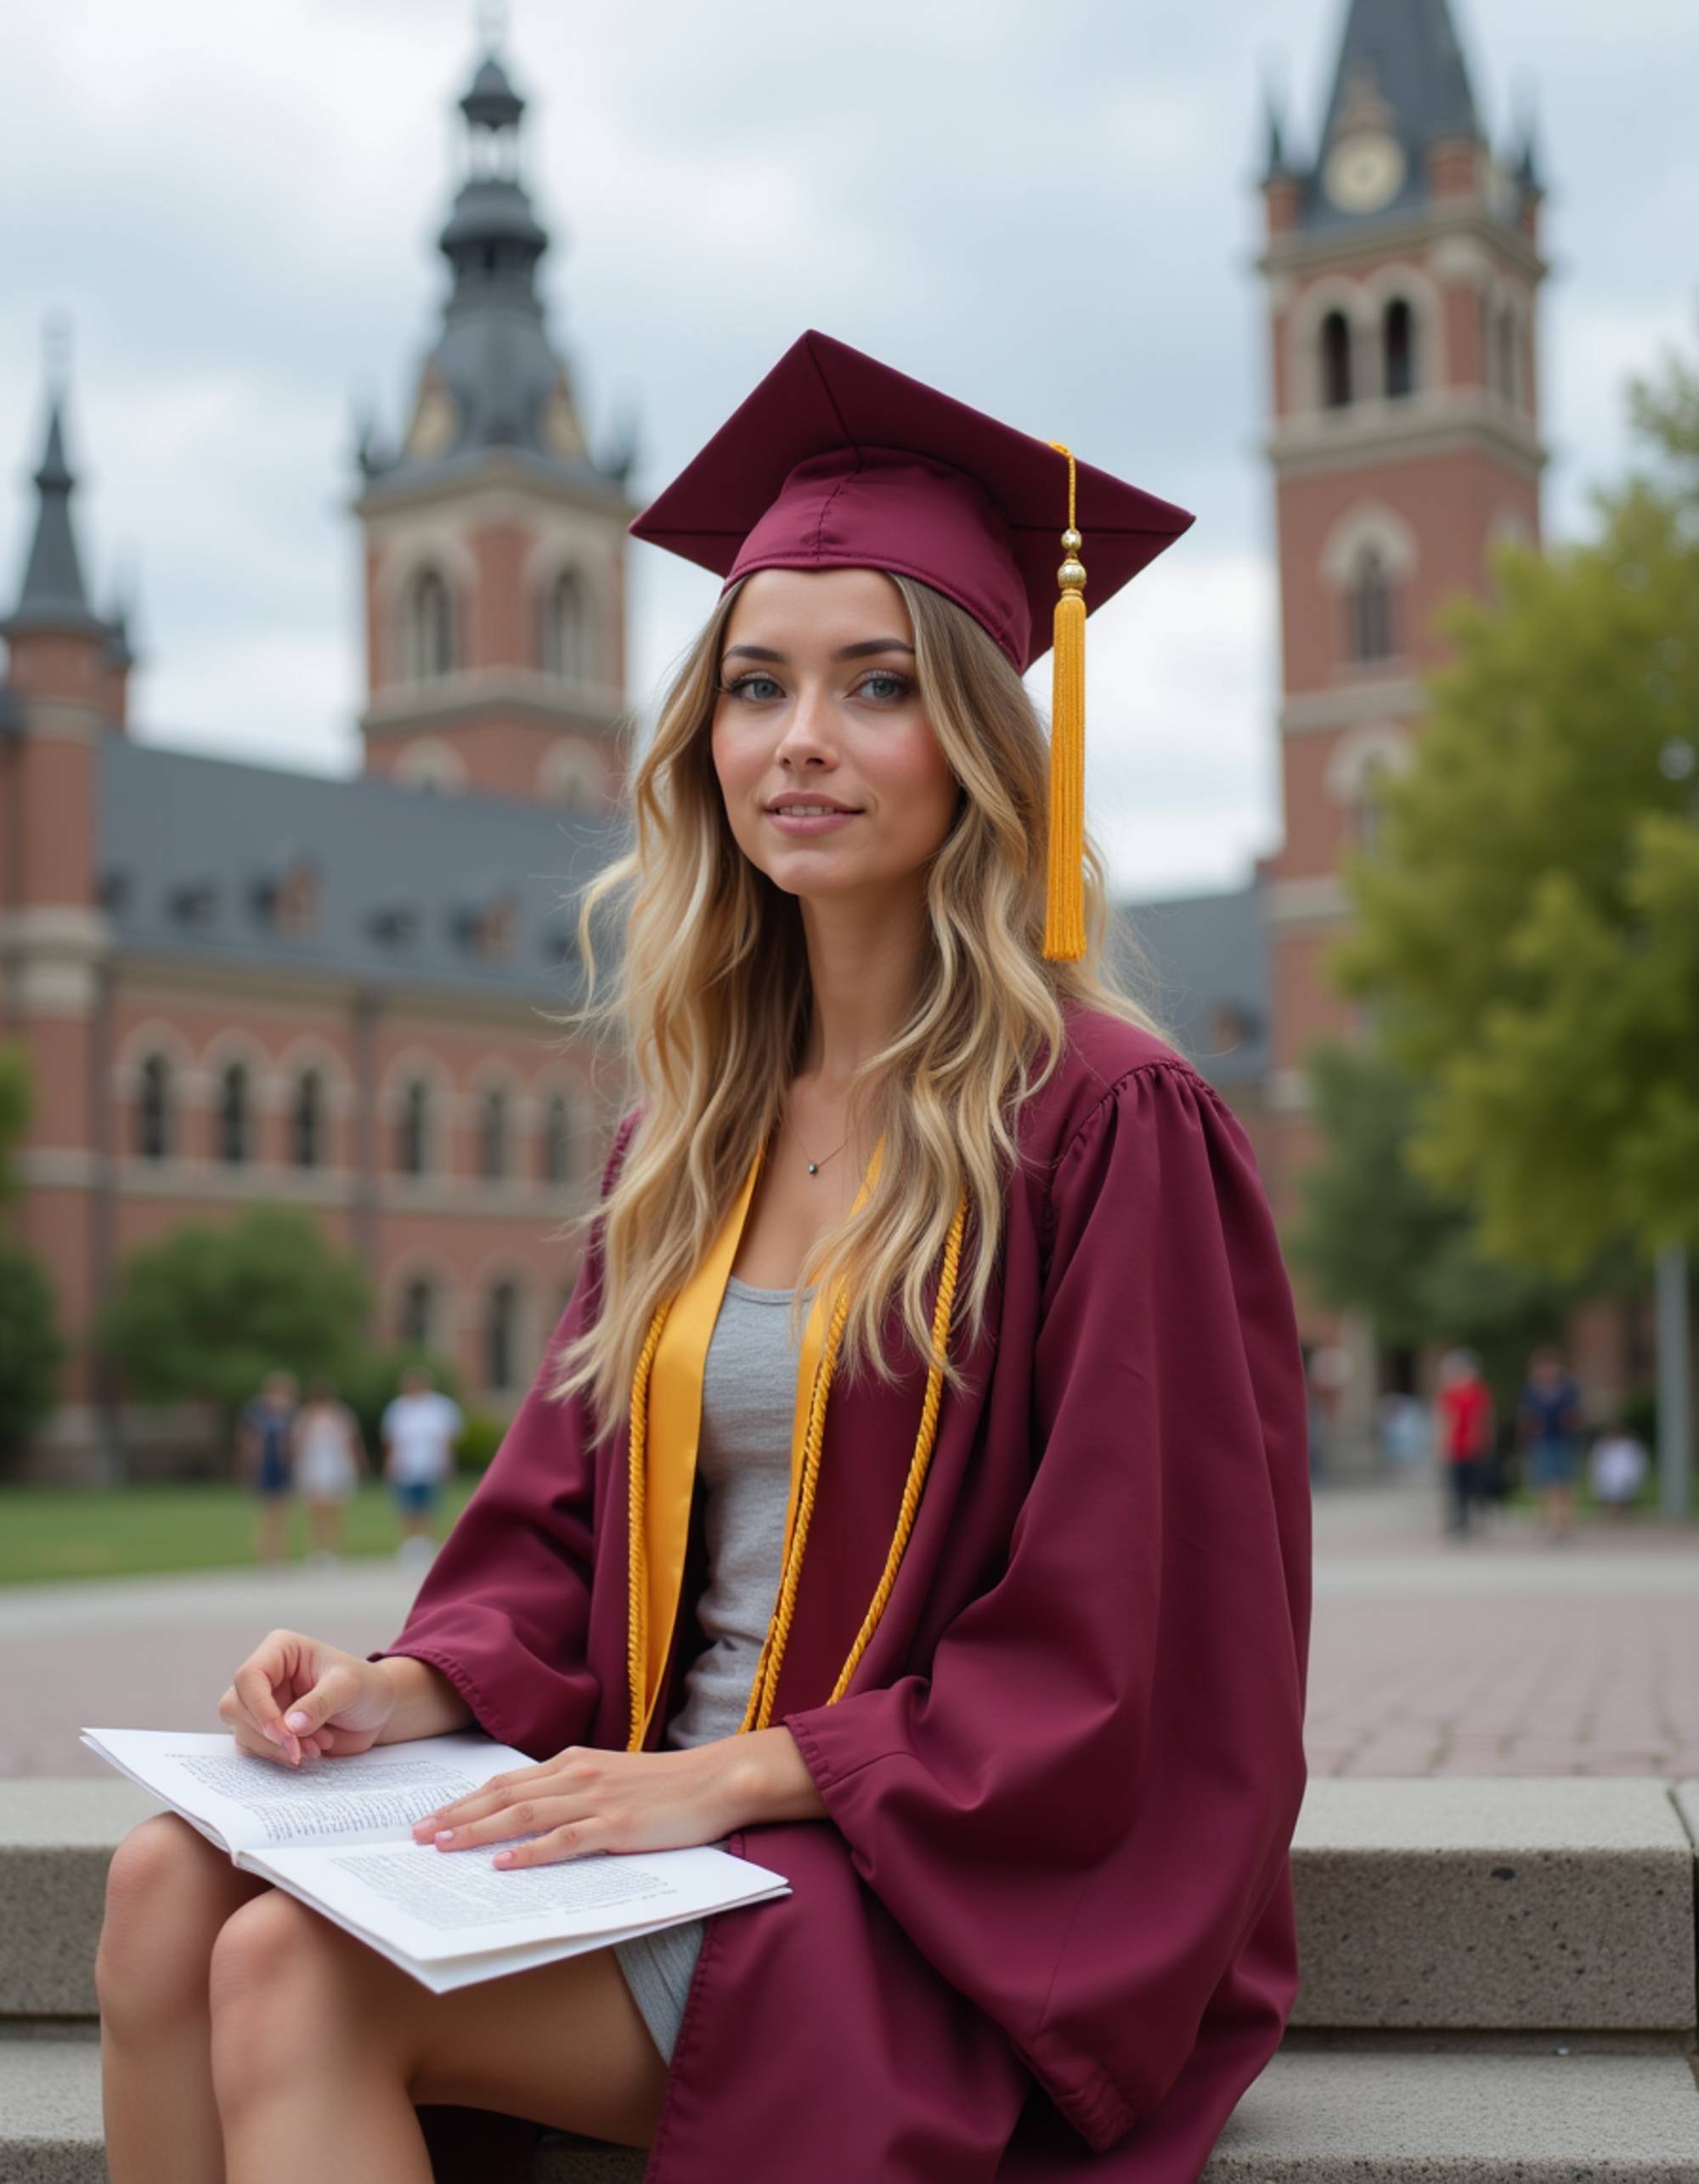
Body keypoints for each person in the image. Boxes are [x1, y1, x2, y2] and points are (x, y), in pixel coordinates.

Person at [95, 330, 1312, 2184]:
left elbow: (1130, 1648)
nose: (798, 740)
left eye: (873, 686)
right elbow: (555, 1540)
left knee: (290, 1973)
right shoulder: (686, 1136)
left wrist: (725, 1775)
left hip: (913, 1874)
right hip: (652, 1805)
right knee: (160, 1881)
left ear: (981, 744)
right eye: (754, 687)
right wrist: (394, 1687)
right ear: (701, 738)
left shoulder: (1101, 1125)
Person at [380, 1367, 464, 1564]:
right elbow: (391, 1440)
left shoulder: (441, 1407)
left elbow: (448, 1438)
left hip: (432, 1465)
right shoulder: (398, 1408)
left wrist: (448, 1461)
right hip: (406, 1466)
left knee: (429, 1508)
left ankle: (426, 1544)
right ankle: (409, 1546)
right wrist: (390, 1463)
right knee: (407, 1508)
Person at [291, 1377, 365, 1564]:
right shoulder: (306, 1417)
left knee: (335, 1511)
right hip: (313, 1466)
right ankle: (317, 1551)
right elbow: (297, 1443)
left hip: (336, 1466)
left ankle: (336, 1551)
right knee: (316, 1512)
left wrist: (355, 1463)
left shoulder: (341, 1415)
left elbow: (350, 1442)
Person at [1516, 1345, 1585, 1542]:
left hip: (1564, 1439)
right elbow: (1526, 1417)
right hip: (1541, 1441)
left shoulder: (1568, 1388)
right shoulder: (1531, 1390)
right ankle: (1551, 1519)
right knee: (1545, 1482)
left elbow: (1575, 1415)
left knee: (1564, 1482)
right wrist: (1525, 1439)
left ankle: (1563, 1521)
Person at [234, 1371, 296, 1569]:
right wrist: (248, 1466)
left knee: (282, 1512)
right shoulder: (257, 1411)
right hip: (265, 1466)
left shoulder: (290, 1412)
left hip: (283, 1466)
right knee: (267, 1512)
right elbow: (247, 1439)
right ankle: (265, 1556)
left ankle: (278, 1556)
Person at [1434, 1347, 1493, 1538]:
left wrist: (1484, 1440)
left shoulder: (1477, 1392)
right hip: (1456, 1447)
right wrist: (1443, 1443)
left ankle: (1478, 1519)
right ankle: (1459, 1520)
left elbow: (1483, 1417)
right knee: (1455, 1487)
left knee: (1475, 1485)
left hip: (1474, 1447)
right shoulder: (1449, 1394)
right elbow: (1445, 1419)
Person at [1588, 1418, 1649, 1520]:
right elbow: (1596, 1461)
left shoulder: (1630, 1445)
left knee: (1621, 1480)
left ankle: (1620, 1508)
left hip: (1625, 1472)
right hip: (1608, 1472)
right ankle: (1614, 1509)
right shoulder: (1603, 1445)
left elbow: (1637, 1461)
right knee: (1611, 1481)